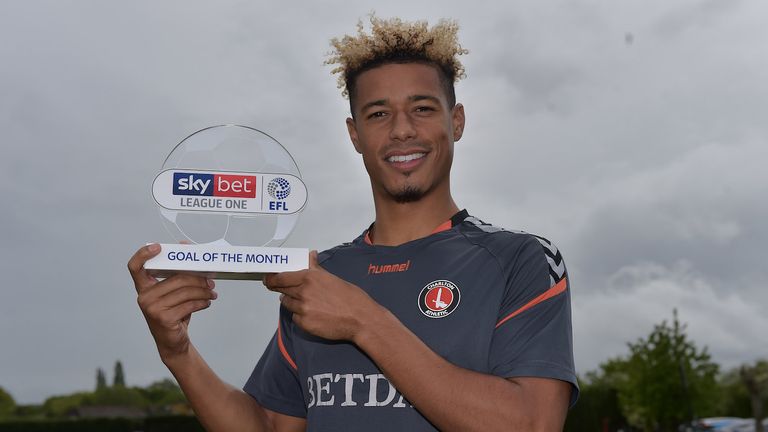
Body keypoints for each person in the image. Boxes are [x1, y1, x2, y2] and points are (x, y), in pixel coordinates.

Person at [128, 15, 577, 431]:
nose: (402, 130)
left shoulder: (521, 259)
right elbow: (268, 426)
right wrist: (178, 353)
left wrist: (364, 321)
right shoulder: (323, 277)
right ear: (354, 134)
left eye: (422, 108)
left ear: (455, 121)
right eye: (378, 114)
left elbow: (533, 422)